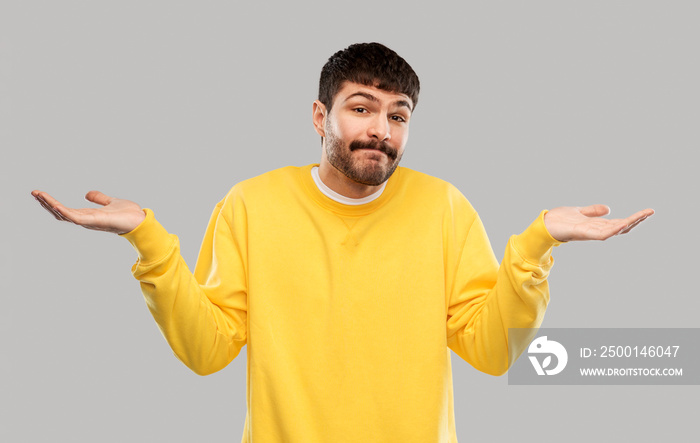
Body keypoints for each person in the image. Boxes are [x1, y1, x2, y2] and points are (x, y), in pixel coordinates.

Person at [32, 42, 653, 442]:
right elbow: (207, 349)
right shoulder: (252, 203)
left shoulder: (444, 207)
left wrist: (537, 247)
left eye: (398, 115)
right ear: (319, 116)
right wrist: (149, 240)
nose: (379, 130)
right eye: (362, 108)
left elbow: (491, 352)